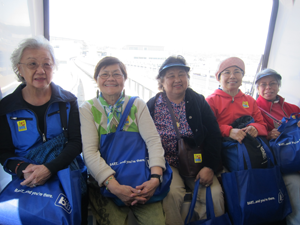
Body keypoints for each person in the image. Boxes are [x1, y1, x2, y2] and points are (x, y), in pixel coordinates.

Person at [0, 37, 86, 223]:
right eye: (32, 64)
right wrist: (23, 168)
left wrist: (49, 168)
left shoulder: (67, 101)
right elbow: (4, 152)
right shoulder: (7, 108)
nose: (41, 71)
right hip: (26, 176)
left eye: (47, 64)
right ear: (19, 69)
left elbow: (76, 142)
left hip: (63, 170)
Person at [79, 56, 166, 225]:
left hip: (141, 180)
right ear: (96, 79)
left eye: (116, 74)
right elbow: (89, 152)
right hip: (106, 183)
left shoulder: (137, 105)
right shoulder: (88, 109)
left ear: (125, 79)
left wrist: (155, 178)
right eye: (104, 74)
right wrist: (114, 187)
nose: (110, 78)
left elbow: (153, 141)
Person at [147, 55, 225, 225]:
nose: (177, 79)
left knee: (215, 194)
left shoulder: (198, 101)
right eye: (171, 76)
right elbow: (145, 139)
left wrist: (209, 167)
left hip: (197, 162)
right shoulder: (152, 105)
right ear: (161, 81)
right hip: (168, 163)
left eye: (181, 74)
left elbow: (213, 135)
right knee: (171, 194)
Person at [256, 68, 300, 225]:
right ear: (257, 88)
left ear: (279, 86)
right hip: (281, 163)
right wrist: (267, 135)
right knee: (296, 186)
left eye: (272, 83)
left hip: (297, 154)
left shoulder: (293, 109)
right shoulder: (255, 109)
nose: (268, 87)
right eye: (263, 84)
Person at [206, 57, 268, 144]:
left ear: (242, 76)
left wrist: (255, 128)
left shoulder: (250, 100)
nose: (232, 76)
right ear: (219, 78)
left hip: (247, 149)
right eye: (227, 72)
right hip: (220, 148)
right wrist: (229, 131)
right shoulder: (211, 100)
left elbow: (262, 125)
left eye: (237, 72)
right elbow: (206, 127)